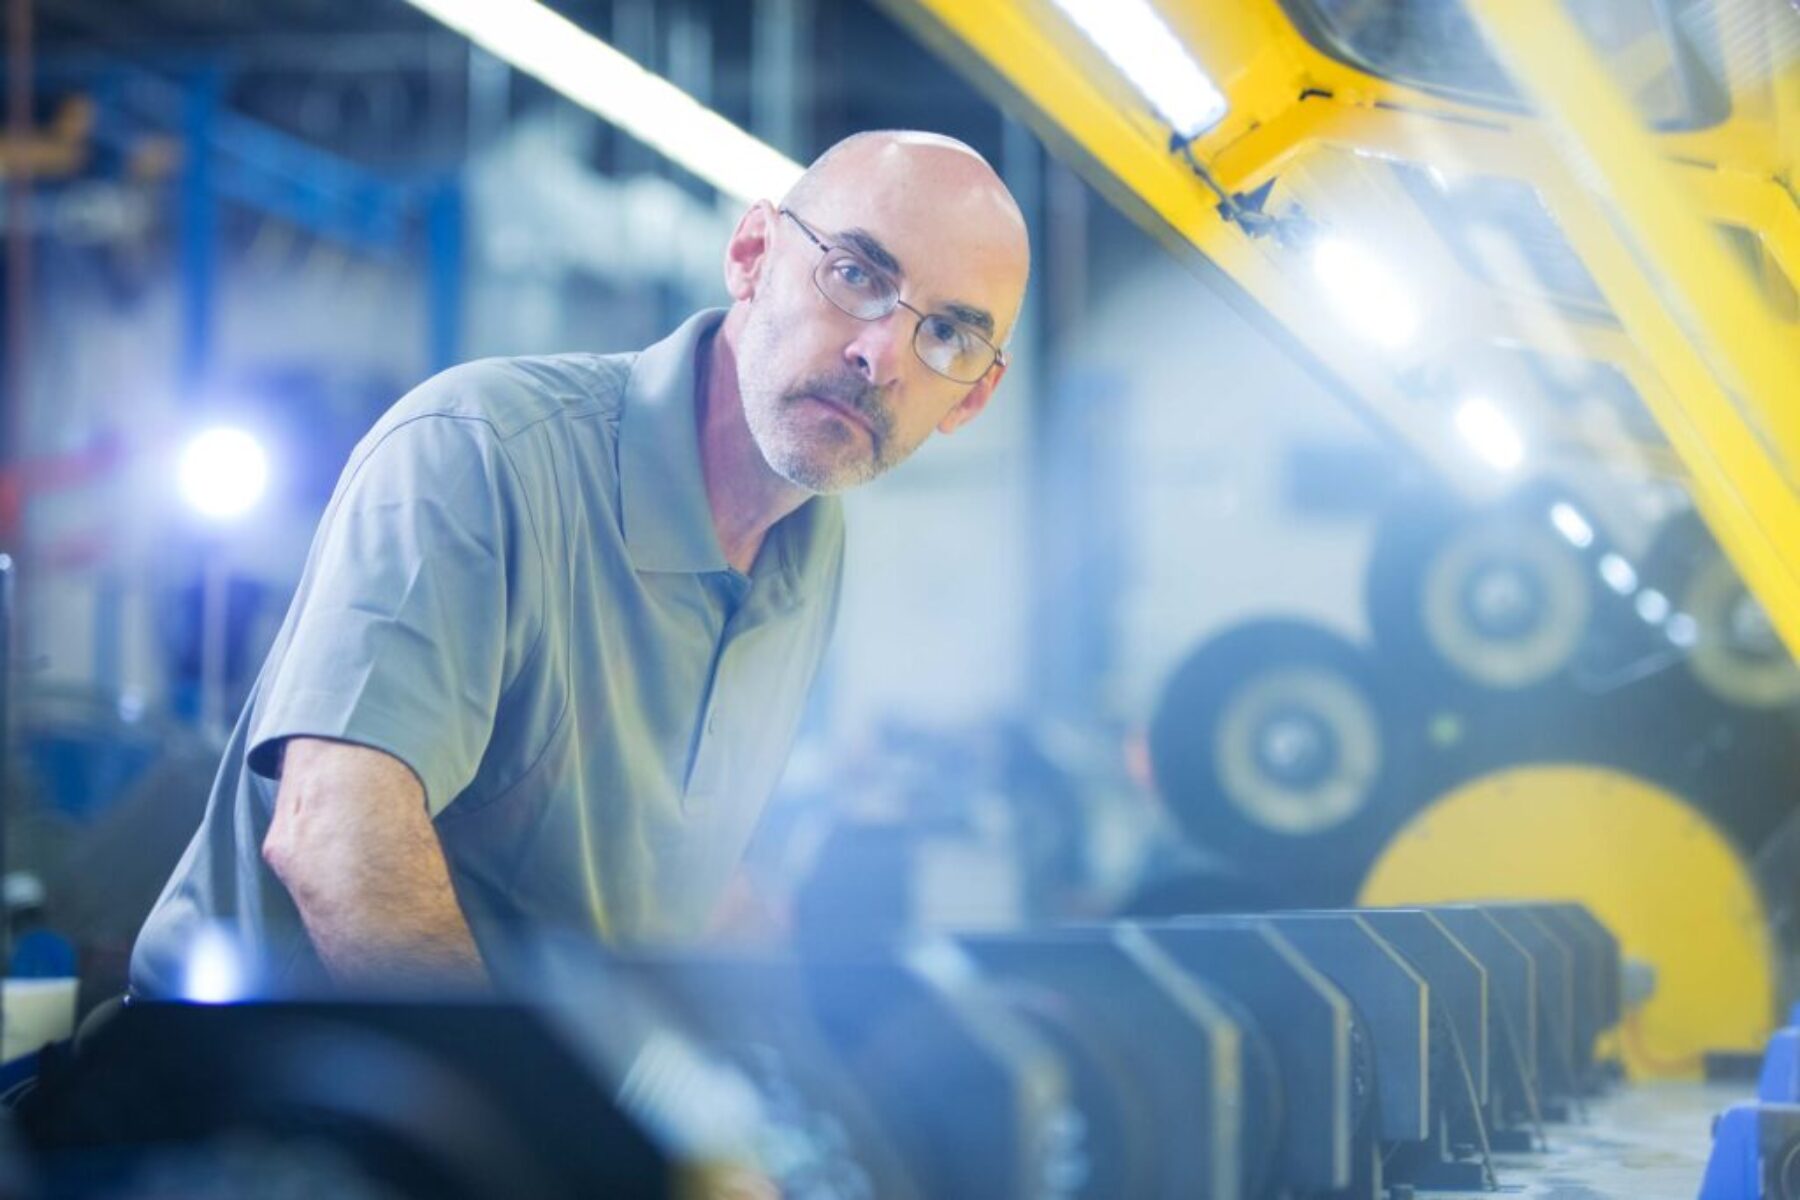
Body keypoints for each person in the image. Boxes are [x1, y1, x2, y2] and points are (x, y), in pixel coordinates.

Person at [130, 130, 1031, 995]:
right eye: (856, 274)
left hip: (504, 1104)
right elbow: (333, 837)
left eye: (949, 334)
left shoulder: (808, 554)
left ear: (973, 399)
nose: (881, 355)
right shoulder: (483, 452)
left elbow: (675, 889)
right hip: (240, 1095)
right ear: (753, 253)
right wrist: (540, 1127)